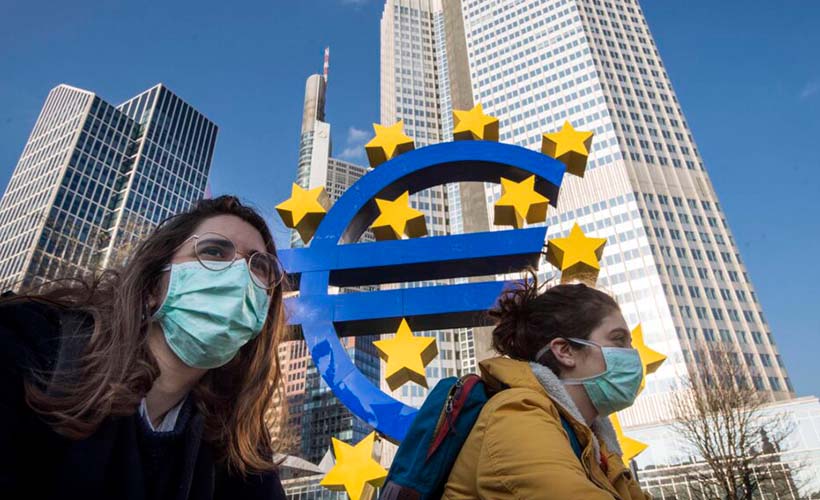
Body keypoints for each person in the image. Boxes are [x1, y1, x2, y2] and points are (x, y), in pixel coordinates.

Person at [0, 196, 289, 500]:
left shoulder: (239, 443)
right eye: (213, 251)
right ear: (152, 286)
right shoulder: (28, 343)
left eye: (259, 267)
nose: (240, 275)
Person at [443, 277, 651, 499]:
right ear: (565, 351)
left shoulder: (599, 447)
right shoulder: (517, 415)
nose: (632, 353)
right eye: (618, 340)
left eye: (630, 343)